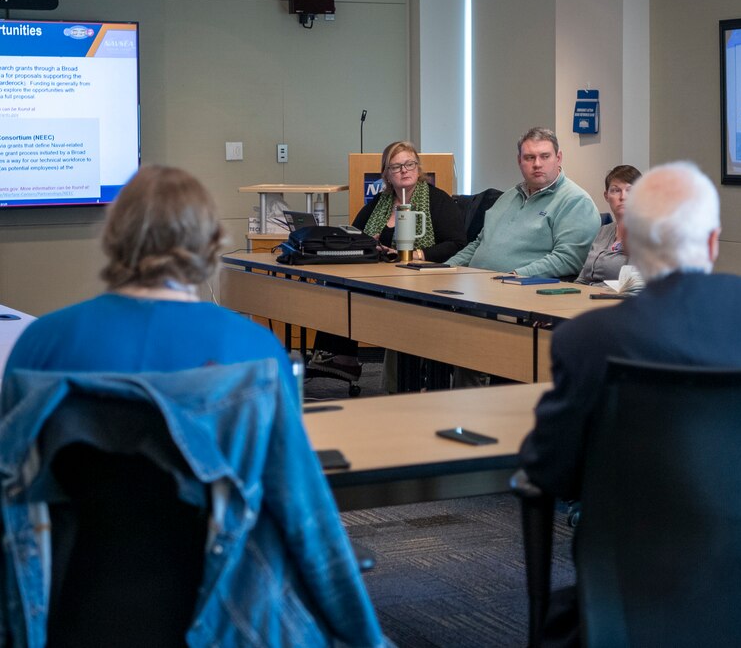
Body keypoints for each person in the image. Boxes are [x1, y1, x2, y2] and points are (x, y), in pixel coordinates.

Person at [1, 165, 390, 647]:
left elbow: (11, 499)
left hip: (65, 614)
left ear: (115, 239)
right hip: (224, 618)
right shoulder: (255, 352)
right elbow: (303, 516)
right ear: (208, 243)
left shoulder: (38, 346)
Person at [519, 161, 741, 503]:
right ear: (711, 243)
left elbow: (552, 467)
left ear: (628, 239)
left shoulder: (585, 337)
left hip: (635, 547)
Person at [308, 140, 467, 381]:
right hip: (381, 274)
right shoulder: (379, 203)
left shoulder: (437, 200)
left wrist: (416, 254)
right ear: (387, 174)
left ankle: (392, 372)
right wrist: (370, 243)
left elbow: (456, 243)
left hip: (420, 278)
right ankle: (342, 358)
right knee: (336, 285)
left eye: (409, 164)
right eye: (396, 167)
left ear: (418, 168)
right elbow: (353, 235)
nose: (404, 170)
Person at [446, 127, 599, 277]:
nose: (537, 164)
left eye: (545, 156)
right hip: (477, 283)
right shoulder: (509, 196)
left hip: (522, 289)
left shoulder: (576, 201)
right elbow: (479, 244)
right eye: (529, 157)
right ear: (519, 160)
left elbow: (569, 258)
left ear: (558, 158)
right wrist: (446, 269)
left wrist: (515, 276)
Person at [574, 164, 642, 288]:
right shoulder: (604, 230)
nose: (623, 197)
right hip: (586, 299)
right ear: (606, 196)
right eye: (616, 190)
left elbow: (634, 285)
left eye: (630, 191)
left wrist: (592, 291)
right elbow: (583, 278)